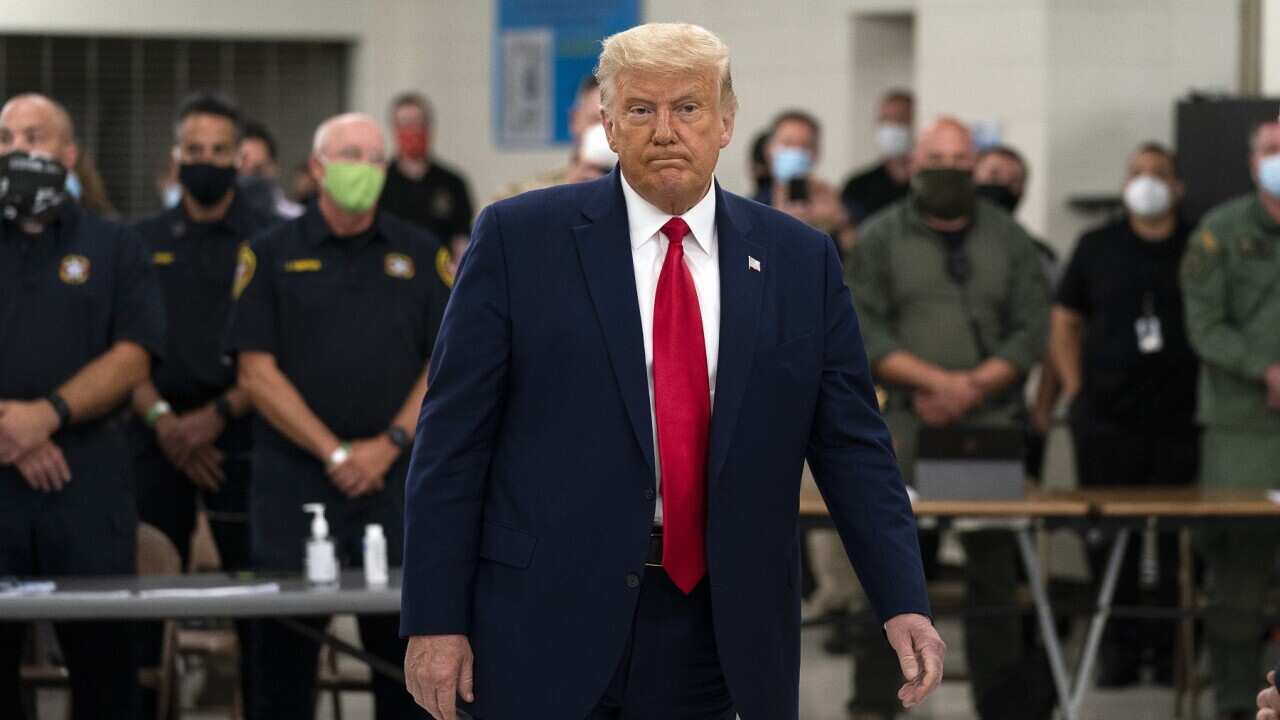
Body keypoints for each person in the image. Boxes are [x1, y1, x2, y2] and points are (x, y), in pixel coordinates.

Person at [401, 22, 943, 720]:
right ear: (607, 126)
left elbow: (853, 448)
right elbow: (452, 443)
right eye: (640, 109)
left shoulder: (799, 260)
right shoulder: (518, 239)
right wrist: (434, 618)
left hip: (720, 622)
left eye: (687, 107)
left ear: (726, 122)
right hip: (546, 614)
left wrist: (903, 600)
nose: (665, 131)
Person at [225, 111, 450, 720]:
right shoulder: (269, 253)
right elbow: (255, 372)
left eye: (375, 159)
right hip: (295, 484)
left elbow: (445, 363)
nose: (365, 169)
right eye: (351, 156)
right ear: (319, 168)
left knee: (404, 673)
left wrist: (390, 442)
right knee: (282, 671)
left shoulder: (420, 253)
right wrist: (335, 452)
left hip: (395, 483)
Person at [847, 117, 1050, 720]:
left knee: (993, 572)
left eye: (962, 162)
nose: (950, 172)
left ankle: (1003, 705)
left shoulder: (1009, 239)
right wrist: (936, 384)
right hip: (903, 429)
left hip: (986, 428)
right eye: (937, 160)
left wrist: (971, 387)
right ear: (915, 163)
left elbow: (1031, 327)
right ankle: (875, 703)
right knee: (889, 566)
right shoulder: (880, 237)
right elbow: (861, 326)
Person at [0, 92, 164, 720]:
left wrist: (45, 416)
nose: (18, 150)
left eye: (34, 137)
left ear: (68, 154)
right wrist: (10, 431)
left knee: (105, 679)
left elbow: (134, 355)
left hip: (87, 491)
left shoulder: (115, 243)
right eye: (7, 140)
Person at [130, 93, 276, 717]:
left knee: (258, 610)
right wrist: (166, 424)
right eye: (195, 150)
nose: (206, 161)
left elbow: (275, 352)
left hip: (239, 434)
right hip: (153, 434)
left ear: (239, 158)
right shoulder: (139, 241)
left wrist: (214, 419)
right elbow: (123, 348)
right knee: (139, 607)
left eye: (219, 150)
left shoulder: (268, 239)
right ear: (175, 156)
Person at [1050, 142, 1197, 687]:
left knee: (1181, 543)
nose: (1147, 182)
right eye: (1136, 172)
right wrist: (1076, 391)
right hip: (1107, 419)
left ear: (1178, 187)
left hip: (1183, 420)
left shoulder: (1198, 244)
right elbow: (1064, 321)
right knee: (1112, 539)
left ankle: (1172, 652)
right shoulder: (1097, 246)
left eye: (1159, 173)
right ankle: (1118, 650)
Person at [1181, 120, 1280, 720]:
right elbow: (1204, 324)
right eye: (1272, 149)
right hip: (1242, 427)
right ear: (1251, 160)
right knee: (1237, 576)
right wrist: (1264, 370)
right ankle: (1240, 705)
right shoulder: (1220, 231)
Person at [973, 145, 1062, 480]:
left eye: (1012, 180)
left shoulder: (1038, 256)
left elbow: (1054, 333)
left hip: (1008, 406)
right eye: (993, 174)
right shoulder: (932, 246)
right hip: (930, 402)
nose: (1000, 186)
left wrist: (1043, 408)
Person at [378, 92, 474, 242]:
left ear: (429, 128)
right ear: (394, 129)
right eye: (405, 124)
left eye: (418, 124)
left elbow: (462, 239)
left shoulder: (453, 184)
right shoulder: (379, 182)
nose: (413, 131)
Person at [758, 109, 854, 253]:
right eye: (787, 143)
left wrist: (838, 221)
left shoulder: (836, 203)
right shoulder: (754, 205)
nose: (796, 152)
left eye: (805, 145)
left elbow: (855, 255)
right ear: (768, 150)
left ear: (817, 153)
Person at [841, 89, 914, 227]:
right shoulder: (858, 186)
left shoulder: (925, 185)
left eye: (900, 119)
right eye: (885, 120)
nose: (891, 128)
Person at [237, 119, 304, 220]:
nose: (249, 179)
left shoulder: (297, 220)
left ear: (274, 169)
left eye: (257, 171)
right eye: (241, 170)